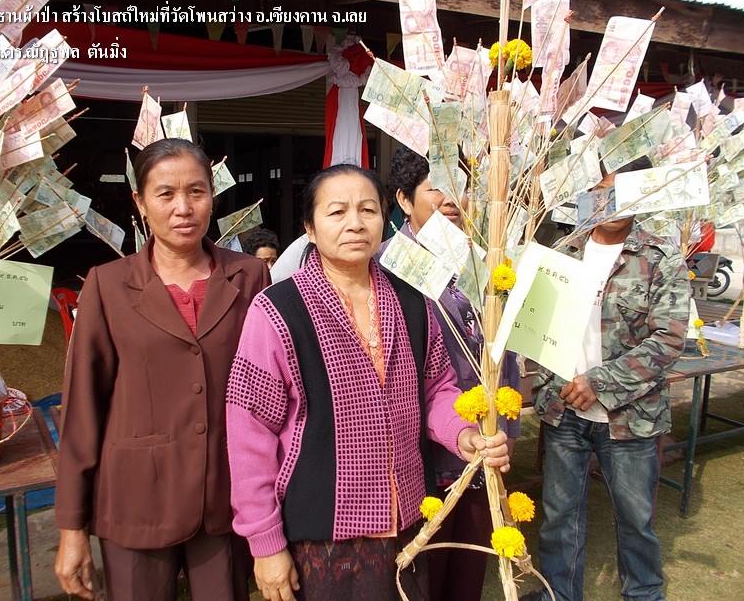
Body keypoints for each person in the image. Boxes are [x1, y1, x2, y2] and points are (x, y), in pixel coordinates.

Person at [226, 164, 511, 601]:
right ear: (310, 228)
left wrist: (463, 434)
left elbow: (436, 389)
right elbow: (250, 433)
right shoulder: (277, 310)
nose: (355, 223)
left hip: (409, 521)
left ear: (384, 218)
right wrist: (265, 543)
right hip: (322, 532)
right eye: (337, 212)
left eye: (367, 210)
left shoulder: (413, 299)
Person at [54, 138, 270, 601]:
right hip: (135, 497)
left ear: (212, 196)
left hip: (224, 494)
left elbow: (268, 391)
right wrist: (72, 528)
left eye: (196, 192)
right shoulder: (108, 284)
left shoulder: (250, 275)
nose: (183, 208)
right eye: (165, 194)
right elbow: (82, 410)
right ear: (140, 202)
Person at [524, 168, 689, 601]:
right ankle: (558, 594)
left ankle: (644, 593)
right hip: (565, 411)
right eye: (601, 190)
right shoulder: (565, 252)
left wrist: (599, 383)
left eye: (621, 190)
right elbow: (539, 325)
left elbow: (669, 338)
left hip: (630, 418)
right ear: (586, 193)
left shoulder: (659, 257)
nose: (611, 200)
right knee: (560, 516)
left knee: (635, 518)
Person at [380, 147, 521, 601]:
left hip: (482, 441)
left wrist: (507, 426)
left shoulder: (485, 259)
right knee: (426, 570)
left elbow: (505, 352)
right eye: (435, 187)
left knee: (469, 566)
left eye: (460, 186)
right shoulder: (386, 266)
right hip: (420, 449)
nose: (450, 199)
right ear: (404, 200)